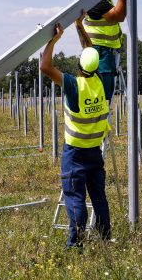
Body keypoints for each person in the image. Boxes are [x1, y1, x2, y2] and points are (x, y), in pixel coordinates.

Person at [40, 17, 111, 247]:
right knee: (99, 198)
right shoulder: (99, 82)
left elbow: (45, 67)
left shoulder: (74, 86)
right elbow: (90, 51)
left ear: (79, 65)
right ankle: (104, 239)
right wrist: (80, 26)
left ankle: (76, 243)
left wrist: (53, 40)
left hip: (75, 153)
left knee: (75, 199)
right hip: (94, 152)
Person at [80, 0, 129, 102]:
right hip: (99, 52)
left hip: (105, 50)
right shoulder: (94, 1)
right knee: (104, 94)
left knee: (106, 89)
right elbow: (118, 17)